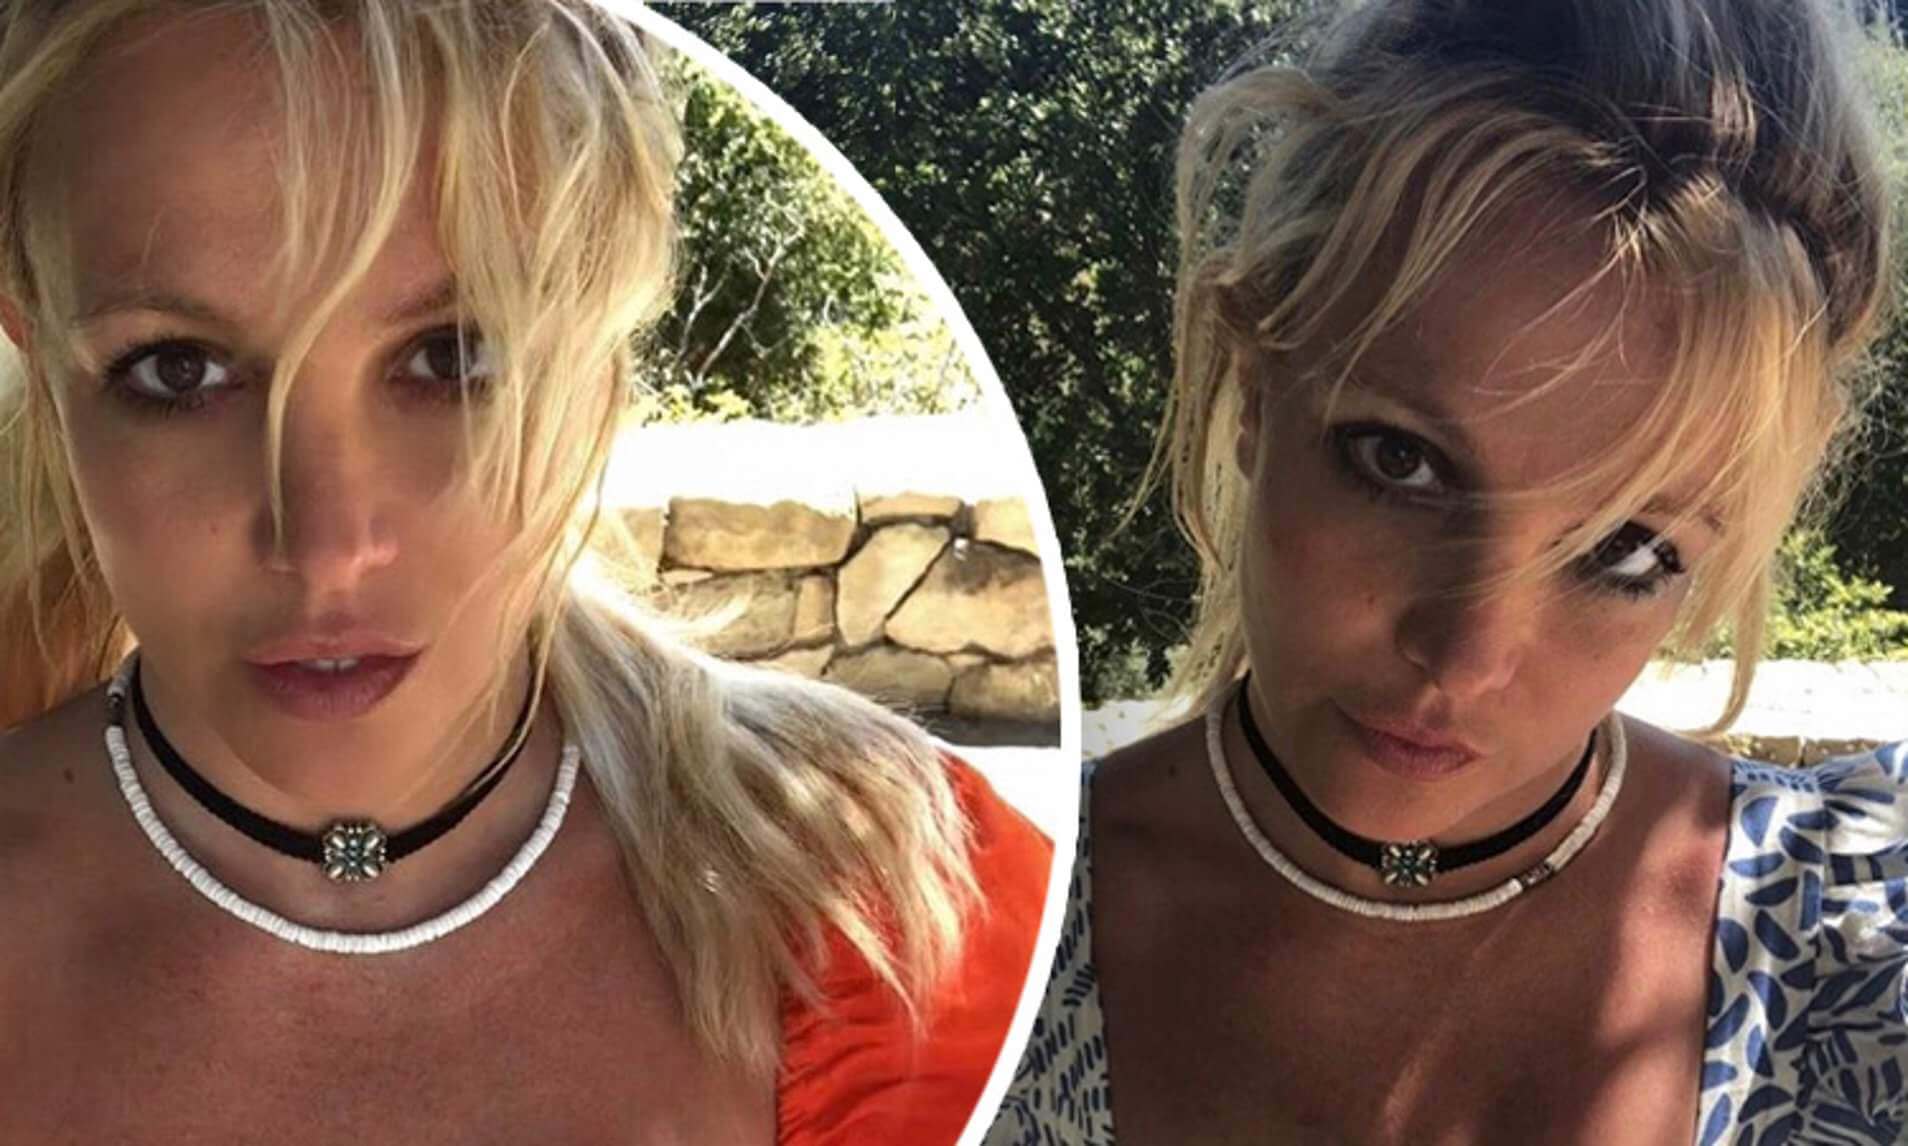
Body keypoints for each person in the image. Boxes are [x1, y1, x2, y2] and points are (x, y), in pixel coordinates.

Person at [0, 3, 1051, 1142]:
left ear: (597, 365)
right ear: (40, 361)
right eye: (177, 370)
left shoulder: (927, 917)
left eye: (453, 353)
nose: (327, 544)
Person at [989, 0, 1907, 1143]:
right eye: (1400, 462)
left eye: (1626, 550)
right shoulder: (958, 942)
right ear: (1254, 390)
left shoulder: (1858, 934)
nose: (1465, 658)